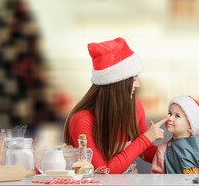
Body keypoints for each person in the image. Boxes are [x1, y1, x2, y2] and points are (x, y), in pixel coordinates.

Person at [63, 37, 168, 174]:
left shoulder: (135, 108)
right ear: (118, 85)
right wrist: (147, 138)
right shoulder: (81, 120)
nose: (138, 85)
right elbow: (105, 170)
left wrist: (181, 157)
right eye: (134, 79)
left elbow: (144, 151)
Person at [151, 95, 199, 174]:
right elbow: (156, 178)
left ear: (191, 125)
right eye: (170, 114)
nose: (170, 118)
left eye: (177, 116)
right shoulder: (162, 150)